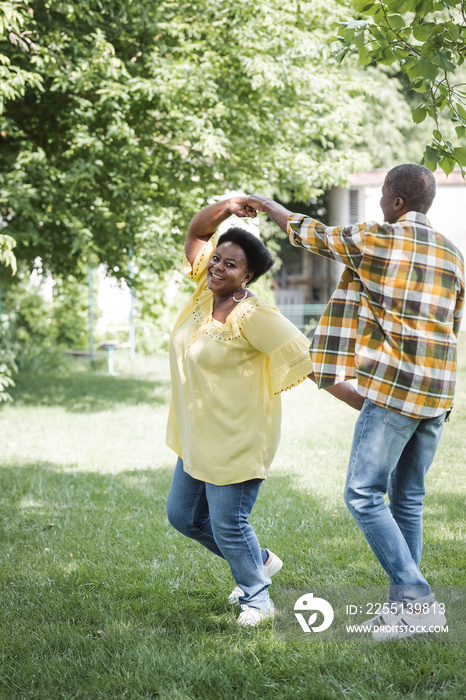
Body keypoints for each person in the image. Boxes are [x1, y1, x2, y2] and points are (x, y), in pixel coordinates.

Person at [240, 164, 465, 639]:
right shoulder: (454, 255)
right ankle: (407, 613)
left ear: (396, 202)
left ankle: (416, 598)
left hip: (395, 391)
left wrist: (266, 205)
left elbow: (312, 233)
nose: (381, 202)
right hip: (438, 393)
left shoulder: (377, 238)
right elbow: (453, 324)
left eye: (383, 194)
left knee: (363, 494)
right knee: (408, 499)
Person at [166, 195, 364, 627]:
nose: (217, 266)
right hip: (197, 433)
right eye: (217, 259)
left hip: (237, 439)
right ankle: (260, 561)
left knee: (228, 525)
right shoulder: (205, 291)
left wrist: (364, 403)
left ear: (248, 276)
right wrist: (229, 205)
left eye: (230, 264)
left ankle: (257, 598)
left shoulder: (255, 315)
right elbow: (197, 232)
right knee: (182, 517)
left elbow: (309, 362)